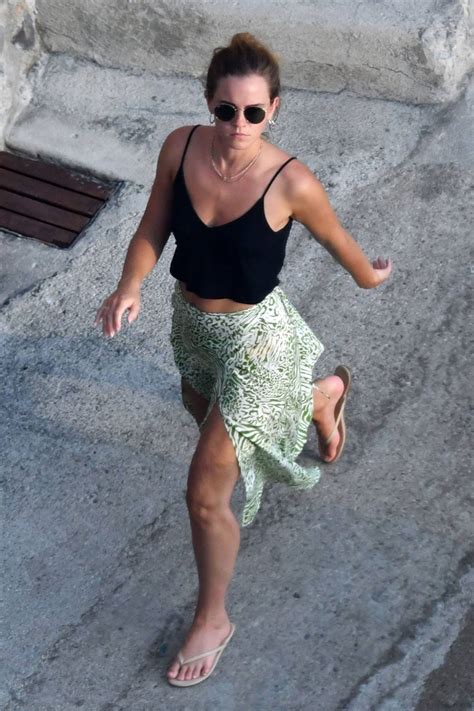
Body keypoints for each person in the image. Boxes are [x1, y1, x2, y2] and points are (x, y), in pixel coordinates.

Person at [93, 32, 392, 687]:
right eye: (226, 110)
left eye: (253, 112)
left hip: (258, 344)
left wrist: (371, 276)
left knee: (205, 493)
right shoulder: (180, 147)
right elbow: (150, 227)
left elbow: (343, 244)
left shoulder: (292, 182)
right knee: (202, 418)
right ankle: (320, 397)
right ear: (209, 103)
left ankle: (212, 617)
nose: (238, 125)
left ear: (274, 110)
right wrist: (129, 286)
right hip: (192, 330)